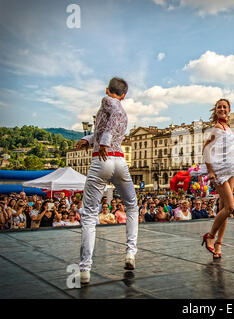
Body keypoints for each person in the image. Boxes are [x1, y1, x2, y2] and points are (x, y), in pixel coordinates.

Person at [75, 77, 139, 284]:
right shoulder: (118, 108)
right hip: (119, 161)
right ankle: (130, 253)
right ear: (124, 94)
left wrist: (103, 141)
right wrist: (89, 139)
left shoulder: (108, 102)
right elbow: (107, 126)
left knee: (89, 215)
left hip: (101, 160)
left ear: (107, 90)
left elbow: (115, 116)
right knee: (132, 206)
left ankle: (85, 269)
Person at [192, 98, 234, 259]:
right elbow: (206, 149)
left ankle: (218, 244)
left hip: (229, 168)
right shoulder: (217, 127)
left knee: (225, 209)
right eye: (219, 107)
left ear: (229, 110)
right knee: (230, 207)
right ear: (215, 111)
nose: (222, 109)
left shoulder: (228, 128)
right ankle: (210, 236)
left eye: (224, 107)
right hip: (219, 170)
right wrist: (210, 171)